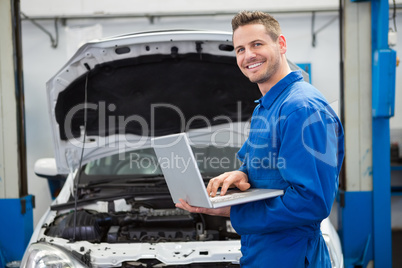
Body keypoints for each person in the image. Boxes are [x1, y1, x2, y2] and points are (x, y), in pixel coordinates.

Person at [176, 11, 345, 268]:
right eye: (240, 49)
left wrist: (228, 210)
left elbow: (311, 203)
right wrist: (242, 175)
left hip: (292, 255)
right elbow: (267, 167)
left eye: (257, 44)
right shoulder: (266, 107)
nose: (248, 56)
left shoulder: (301, 109)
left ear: (281, 44)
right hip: (263, 252)